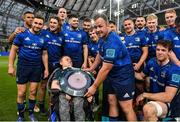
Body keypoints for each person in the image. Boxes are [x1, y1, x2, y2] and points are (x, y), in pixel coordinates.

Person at [84, 14, 137, 121]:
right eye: (96, 27)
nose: (98, 30)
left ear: (107, 25)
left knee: (126, 108)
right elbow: (100, 54)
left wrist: (94, 87)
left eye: (100, 26)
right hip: (112, 75)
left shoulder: (112, 42)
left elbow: (106, 68)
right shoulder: (102, 38)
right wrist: (92, 68)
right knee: (112, 101)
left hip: (123, 77)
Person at [8, 15, 48, 121]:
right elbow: (13, 50)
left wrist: (46, 69)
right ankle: (21, 116)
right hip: (23, 67)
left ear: (42, 25)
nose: (37, 25)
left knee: (33, 92)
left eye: (40, 24)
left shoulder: (43, 37)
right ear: (32, 23)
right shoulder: (22, 35)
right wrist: (11, 66)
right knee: (21, 93)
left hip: (36, 68)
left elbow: (44, 54)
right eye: (36, 23)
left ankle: (31, 114)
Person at [135, 40, 180, 121]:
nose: (159, 52)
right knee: (146, 114)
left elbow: (168, 97)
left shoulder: (174, 70)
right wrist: (128, 70)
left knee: (148, 109)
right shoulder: (152, 62)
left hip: (170, 105)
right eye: (158, 49)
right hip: (154, 101)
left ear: (169, 52)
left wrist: (145, 95)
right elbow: (141, 76)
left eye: (163, 50)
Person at [51, 56, 93, 121]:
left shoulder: (78, 71)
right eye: (67, 59)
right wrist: (65, 92)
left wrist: (88, 93)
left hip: (78, 93)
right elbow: (54, 85)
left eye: (71, 60)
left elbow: (86, 84)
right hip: (63, 93)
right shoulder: (59, 72)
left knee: (78, 103)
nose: (70, 61)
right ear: (61, 62)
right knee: (63, 102)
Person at [37, 16, 64, 115]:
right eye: (51, 22)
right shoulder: (43, 33)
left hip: (56, 65)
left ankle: (52, 107)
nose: (52, 24)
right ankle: (41, 107)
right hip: (44, 64)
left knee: (54, 88)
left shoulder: (62, 36)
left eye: (55, 23)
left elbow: (63, 51)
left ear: (58, 25)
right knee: (43, 85)